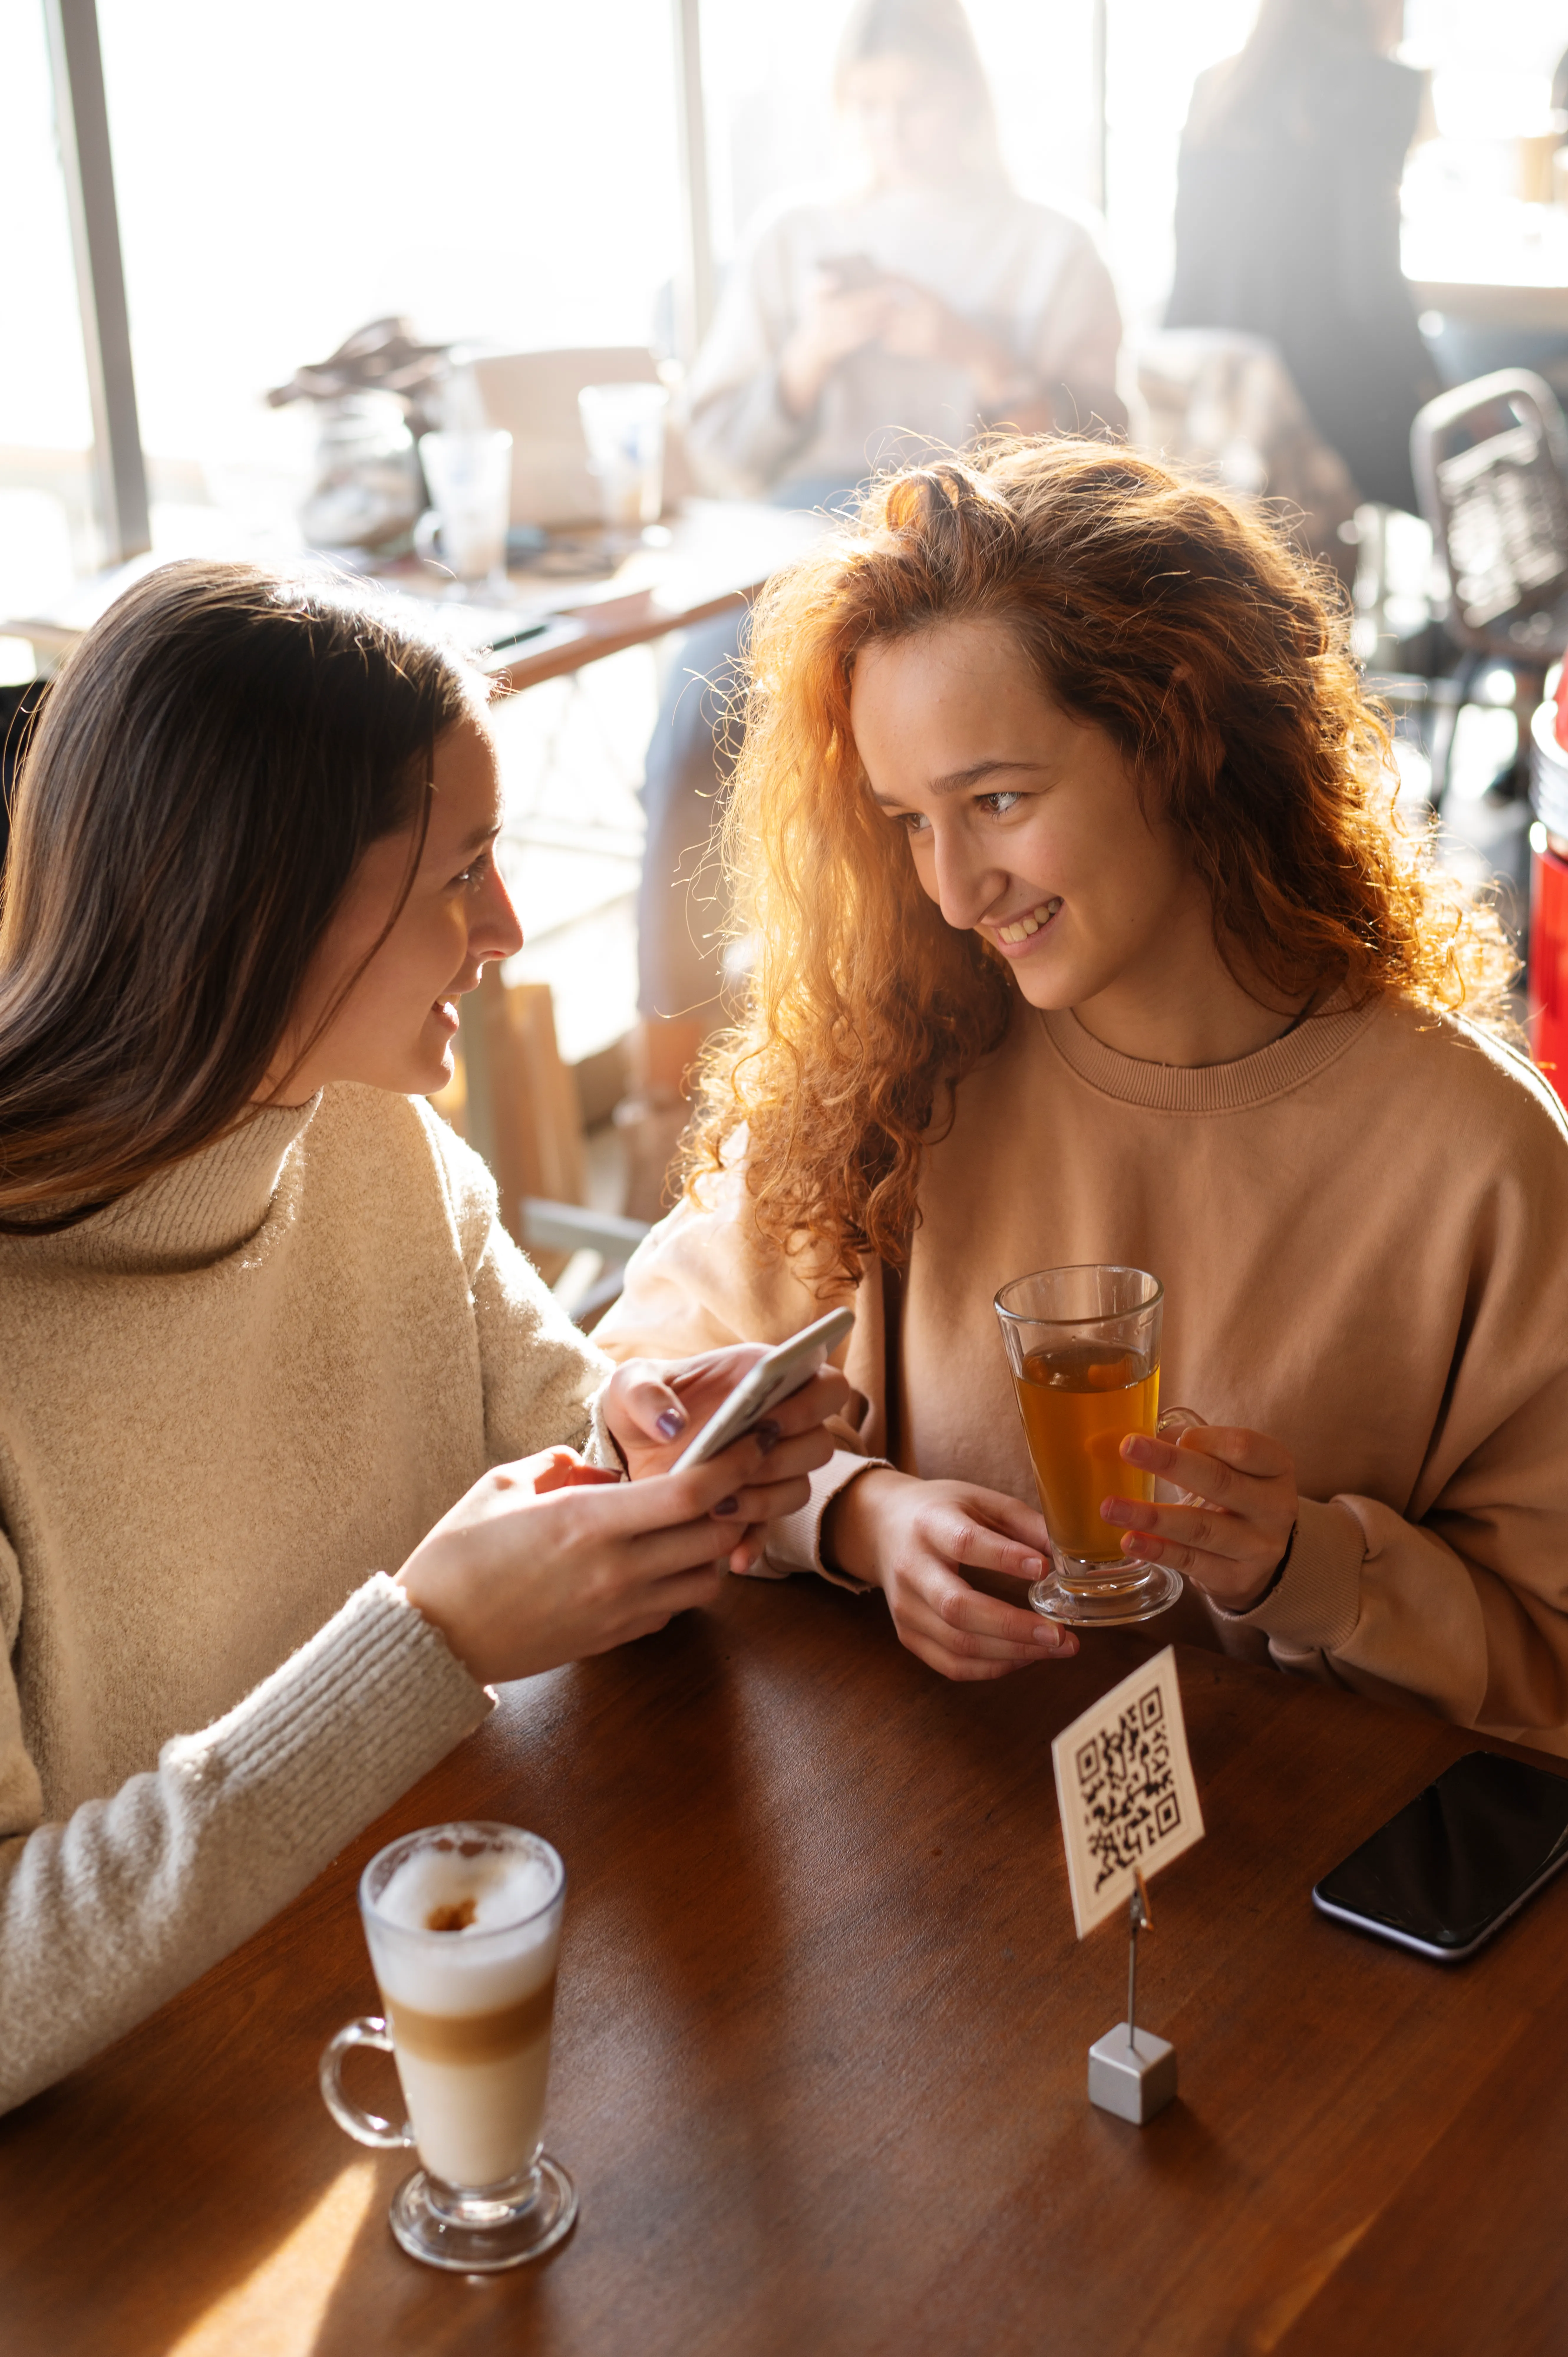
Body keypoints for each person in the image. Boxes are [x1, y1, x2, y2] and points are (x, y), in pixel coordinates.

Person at [0, 560, 846, 2114]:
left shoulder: (373, 1138)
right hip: (124, 2188)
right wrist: (428, 1642)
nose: (511, 929)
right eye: (464, 870)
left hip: (399, 2024)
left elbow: (555, 1427)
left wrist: (663, 1450)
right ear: (255, 901)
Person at [598, 436, 1568, 1756]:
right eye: (907, 822)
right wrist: (852, 1516)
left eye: (995, 799)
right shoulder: (896, 1061)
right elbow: (636, 1394)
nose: (951, 891)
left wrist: (1313, 1567)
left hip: (1297, 1897)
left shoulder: (1482, 1160)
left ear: (1182, 742)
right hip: (936, 1854)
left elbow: (1546, 1666)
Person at [623, 0, 1124, 1217]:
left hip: (978, 547)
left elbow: (1103, 461)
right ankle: (667, 1074)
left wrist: (967, 350)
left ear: (968, 103)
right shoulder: (795, 239)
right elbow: (722, 447)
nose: (892, 133)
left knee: (946, 753)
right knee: (695, 729)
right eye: (868, 109)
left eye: (916, 105)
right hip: (798, 532)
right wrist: (809, 355)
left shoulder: (1050, 248)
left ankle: (937, 1028)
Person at [1164, 0, 1435, 514]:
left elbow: (1190, 270)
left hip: (1219, 405)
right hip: (1320, 399)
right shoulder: (1378, 86)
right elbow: (1371, 291)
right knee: (1489, 444)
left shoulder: (1216, 85)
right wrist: (1435, 386)